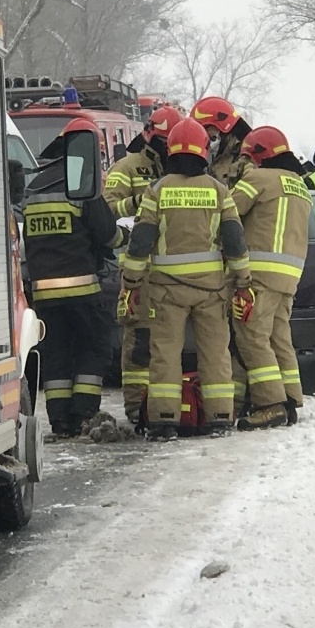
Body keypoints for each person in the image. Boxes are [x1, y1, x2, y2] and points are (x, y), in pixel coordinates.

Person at [118, 118, 251, 441]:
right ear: (204, 151)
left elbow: (141, 242)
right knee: (216, 353)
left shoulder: (157, 190)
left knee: (165, 353)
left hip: (166, 291)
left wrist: (131, 284)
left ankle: (165, 420)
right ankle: (219, 416)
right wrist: (243, 281)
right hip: (211, 290)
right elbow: (234, 241)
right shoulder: (219, 192)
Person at [22, 117, 122, 437]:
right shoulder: (81, 182)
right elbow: (107, 235)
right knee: (95, 347)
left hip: (43, 294)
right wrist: (126, 237)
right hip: (83, 289)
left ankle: (60, 420)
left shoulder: (34, 187)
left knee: (56, 355)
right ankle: (84, 414)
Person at [102, 104, 183, 429]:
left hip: (175, 270)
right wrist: (142, 200)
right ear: (150, 136)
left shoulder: (180, 170)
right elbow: (107, 212)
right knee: (139, 342)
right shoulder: (127, 168)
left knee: (171, 340)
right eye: (164, 141)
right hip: (139, 271)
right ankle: (137, 410)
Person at [229, 126, 313, 429]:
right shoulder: (299, 185)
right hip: (289, 276)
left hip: (259, 274)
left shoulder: (258, 179)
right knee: (280, 339)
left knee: (251, 337)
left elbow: (227, 212)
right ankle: (290, 399)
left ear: (259, 156)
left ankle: (270, 405)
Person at [191, 95, 253, 187]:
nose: (202, 134)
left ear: (217, 125)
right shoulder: (218, 148)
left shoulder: (245, 155)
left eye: (204, 128)